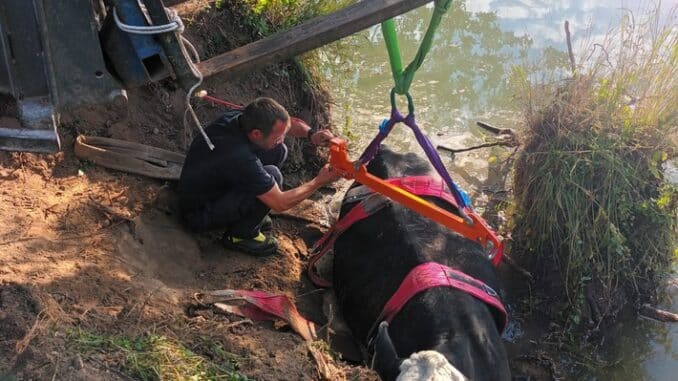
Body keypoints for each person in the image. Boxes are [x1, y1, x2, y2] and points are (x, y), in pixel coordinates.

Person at [178, 97, 339, 256]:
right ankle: (240, 235)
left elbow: (285, 124)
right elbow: (280, 203)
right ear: (256, 134)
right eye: (276, 137)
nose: (281, 138)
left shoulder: (245, 118)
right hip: (199, 213)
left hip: (213, 184)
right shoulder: (239, 156)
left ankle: (251, 211)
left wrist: (312, 134)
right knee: (274, 176)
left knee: (279, 149)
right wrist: (319, 181)